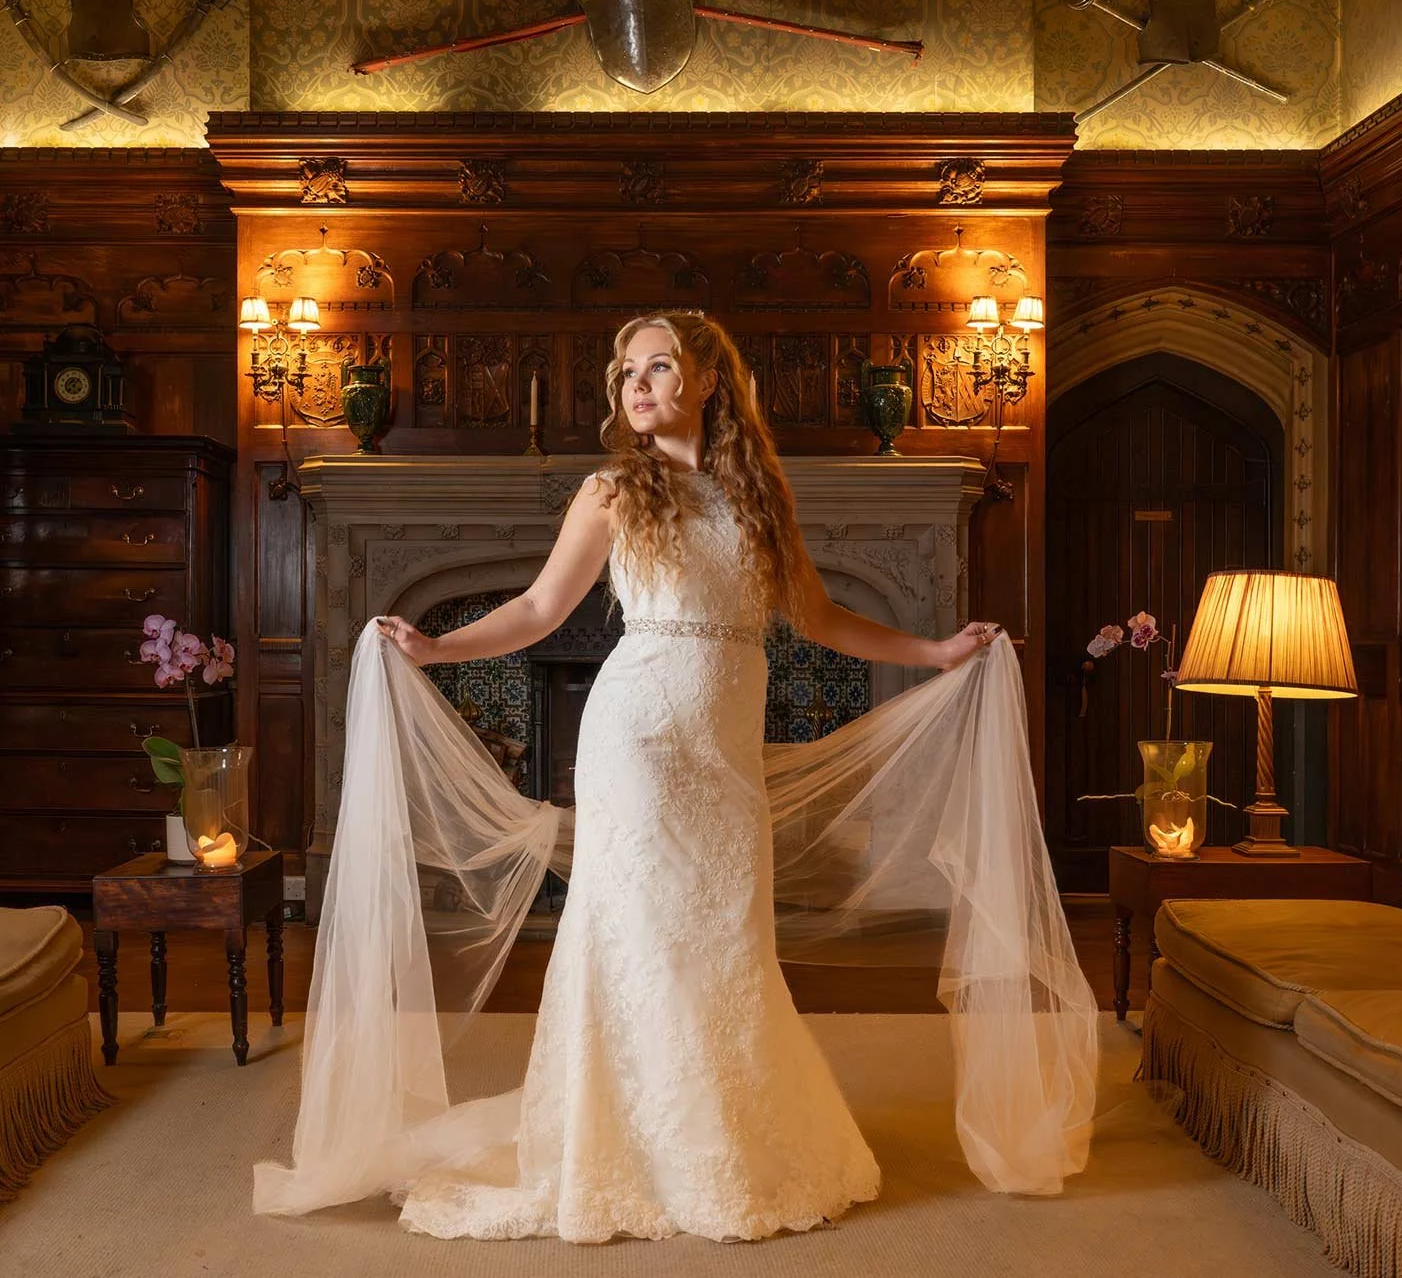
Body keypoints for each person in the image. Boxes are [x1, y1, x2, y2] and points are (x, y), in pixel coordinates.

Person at [253, 310, 1093, 1243]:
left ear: (707, 381)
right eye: (627, 373)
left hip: (724, 756)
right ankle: (630, 1148)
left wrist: (934, 650)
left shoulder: (758, 494)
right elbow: (538, 607)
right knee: (643, 939)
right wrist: (437, 646)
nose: (638, 385)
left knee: (729, 936)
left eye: (658, 366)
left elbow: (819, 616)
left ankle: (721, 1134)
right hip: (638, 742)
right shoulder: (613, 490)